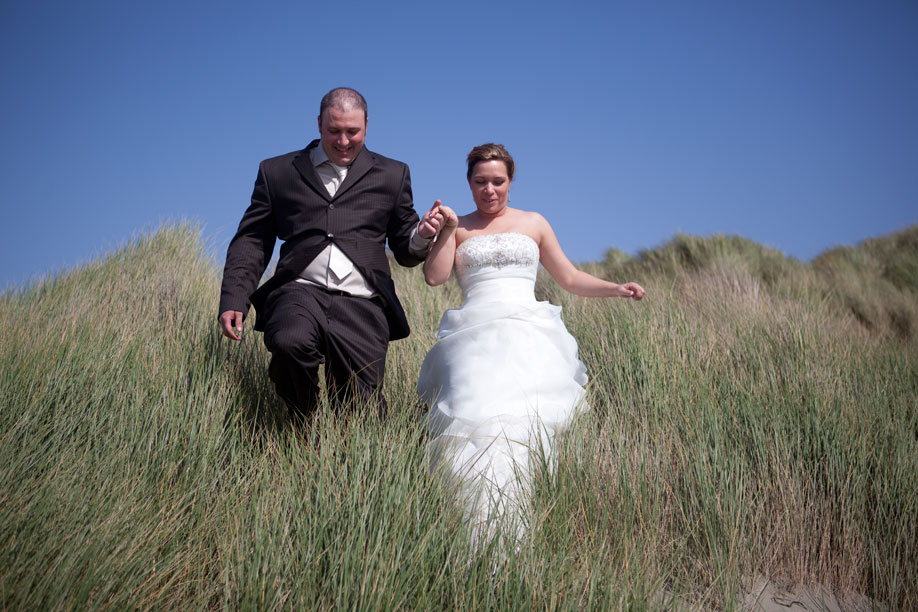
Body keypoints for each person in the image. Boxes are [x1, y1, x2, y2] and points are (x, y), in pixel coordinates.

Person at [417, 143, 644, 544]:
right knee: (475, 416)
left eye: (498, 181)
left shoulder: (534, 222)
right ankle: (471, 520)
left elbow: (570, 278)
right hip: (476, 336)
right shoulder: (461, 226)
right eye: (480, 182)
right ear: (469, 183)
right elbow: (433, 278)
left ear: (510, 181)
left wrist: (617, 288)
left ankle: (535, 513)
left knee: (528, 418)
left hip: (529, 332)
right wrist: (448, 231)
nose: (489, 190)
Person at [219, 87, 448, 419]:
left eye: (352, 132)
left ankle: (342, 451)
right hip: (299, 291)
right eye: (334, 131)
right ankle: (304, 422)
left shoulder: (393, 174)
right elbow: (252, 239)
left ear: (367, 126)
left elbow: (405, 247)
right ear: (318, 124)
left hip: (362, 302)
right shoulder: (277, 171)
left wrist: (422, 234)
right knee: (289, 343)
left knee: (361, 411)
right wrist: (234, 298)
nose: (343, 141)